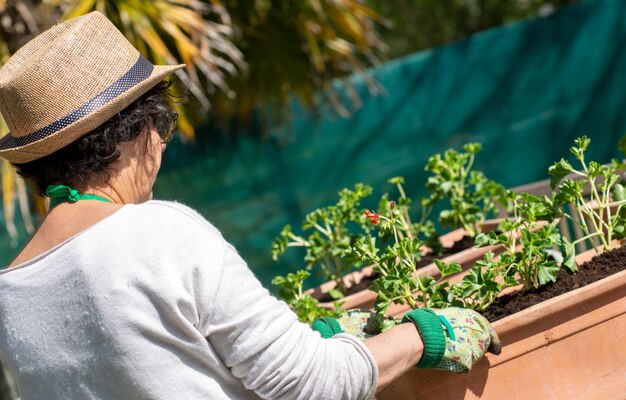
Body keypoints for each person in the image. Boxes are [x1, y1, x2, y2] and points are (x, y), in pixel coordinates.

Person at [0, 12, 500, 400]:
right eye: (163, 127)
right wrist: (423, 335)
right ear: (135, 133)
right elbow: (316, 387)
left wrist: (310, 341)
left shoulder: (10, 295)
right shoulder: (155, 233)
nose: (163, 146)